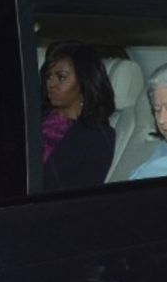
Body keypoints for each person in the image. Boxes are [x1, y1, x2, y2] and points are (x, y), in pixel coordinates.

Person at [40, 41, 116, 190]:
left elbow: (80, 198)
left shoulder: (97, 136)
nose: (51, 84)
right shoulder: (34, 115)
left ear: (84, 81)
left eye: (61, 77)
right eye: (49, 76)